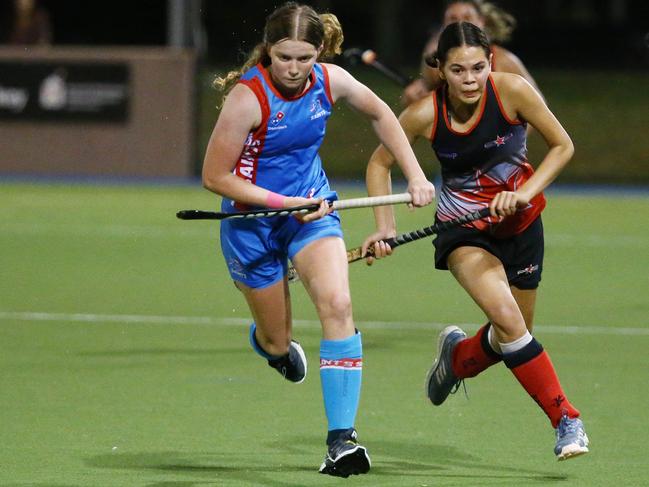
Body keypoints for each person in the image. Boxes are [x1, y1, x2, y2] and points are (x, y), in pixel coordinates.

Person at [202, 1, 435, 478]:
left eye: (303, 57)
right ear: (269, 51)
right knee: (276, 340)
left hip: (312, 212)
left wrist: (414, 175)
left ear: (319, 51)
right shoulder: (247, 98)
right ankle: (273, 347)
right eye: (283, 56)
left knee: (338, 305)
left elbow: (383, 115)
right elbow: (215, 177)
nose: (293, 68)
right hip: (252, 223)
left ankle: (341, 442)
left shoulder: (330, 80)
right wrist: (281, 203)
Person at [362, 21, 589, 461]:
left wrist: (522, 193)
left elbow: (563, 146)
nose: (470, 80)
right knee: (508, 319)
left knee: (513, 336)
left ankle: (458, 356)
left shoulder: (513, 91)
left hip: (522, 224)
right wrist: (384, 225)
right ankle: (566, 419)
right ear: (440, 71)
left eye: (477, 68)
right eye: (458, 70)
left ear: (491, 63)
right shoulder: (425, 114)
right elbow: (379, 163)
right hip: (463, 228)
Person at [402, 0, 539, 106]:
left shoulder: (503, 60)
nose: (460, 23)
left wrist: (513, 140)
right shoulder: (437, 55)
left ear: (481, 21)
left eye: (467, 17)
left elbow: (537, 103)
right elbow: (427, 89)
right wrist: (413, 99)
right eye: (453, 19)